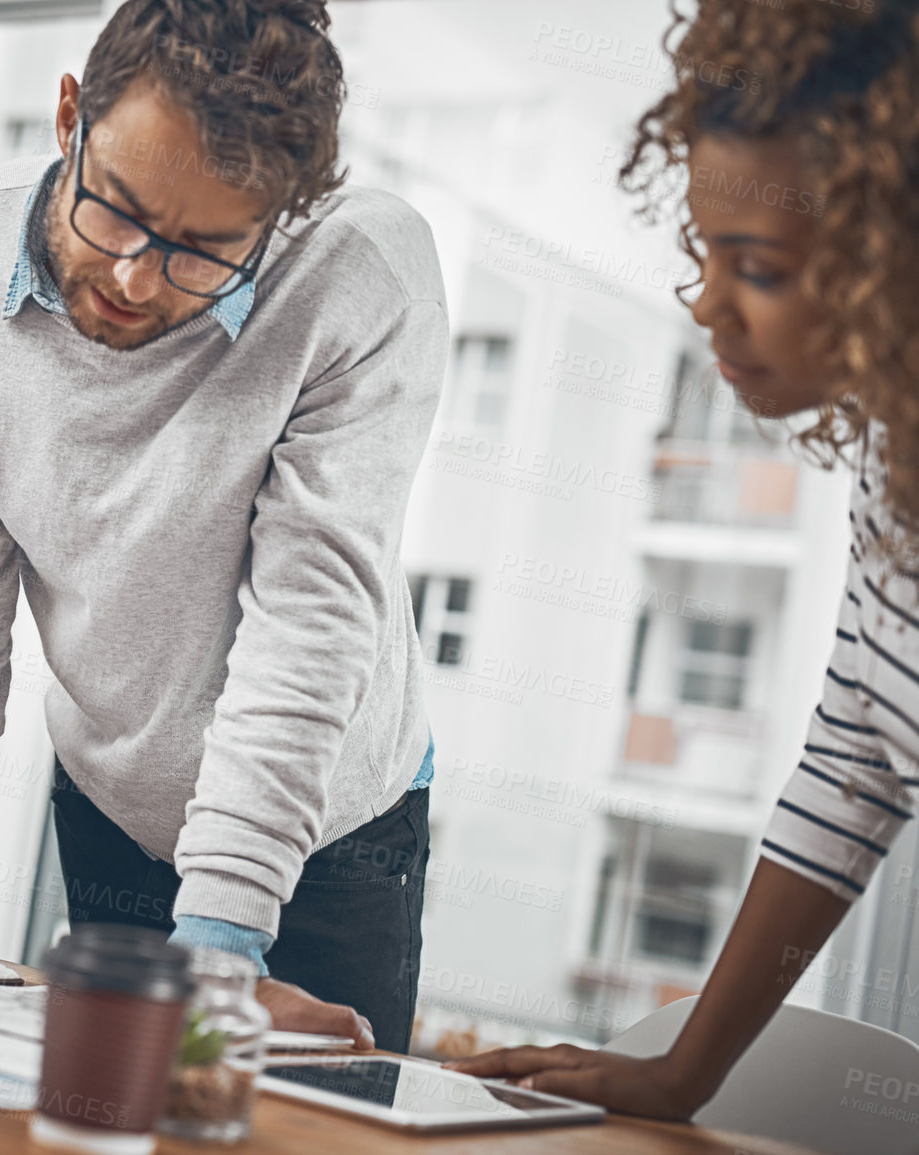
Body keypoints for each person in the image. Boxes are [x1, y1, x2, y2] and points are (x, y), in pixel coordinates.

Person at [0, 0, 447, 1051]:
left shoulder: (363, 277)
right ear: (69, 117)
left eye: (204, 253)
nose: (132, 279)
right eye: (113, 211)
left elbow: (308, 627)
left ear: (284, 216)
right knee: (101, 1104)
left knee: (283, 1120)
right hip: (113, 791)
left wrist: (218, 955)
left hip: (329, 828)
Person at [451, 0, 919, 1116]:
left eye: (756, 266)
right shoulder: (895, 463)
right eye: (709, 253)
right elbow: (857, 759)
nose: (707, 306)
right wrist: (685, 1073)